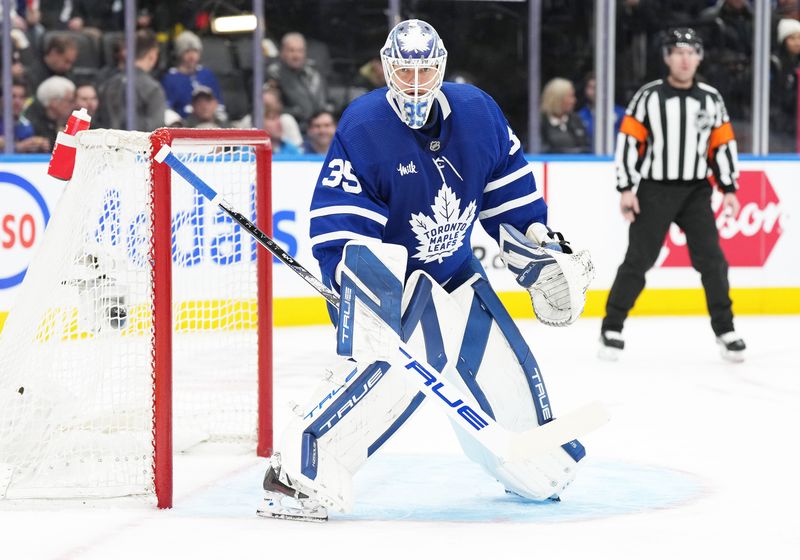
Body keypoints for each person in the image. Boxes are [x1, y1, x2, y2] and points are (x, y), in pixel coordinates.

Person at [258, 19, 594, 522]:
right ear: (386, 67)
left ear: (441, 66)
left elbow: (512, 202)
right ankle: (300, 470)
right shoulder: (364, 125)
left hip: (456, 274)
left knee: (510, 385)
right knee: (392, 377)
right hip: (390, 287)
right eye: (404, 70)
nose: (415, 83)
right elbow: (339, 225)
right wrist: (359, 282)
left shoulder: (479, 113)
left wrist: (541, 246)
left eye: (424, 69)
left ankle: (526, 456)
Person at [600, 28, 746, 362]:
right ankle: (612, 325)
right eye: (677, 51)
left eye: (691, 51)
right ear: (667, 57)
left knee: (713, 262)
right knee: (639, 259)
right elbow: (627, 143)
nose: (684, 58)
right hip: (655, 189)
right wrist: (626, 187)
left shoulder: (711, 98)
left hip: (696, 191)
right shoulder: (649, 96)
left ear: (699, 57)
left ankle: (726, 329)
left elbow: (722, 145)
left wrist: (729, 187)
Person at [95, 30, 165, 132]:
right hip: (138, 146)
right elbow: (156, 132)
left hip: (108, 146)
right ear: (152, 54)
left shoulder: (107, 85)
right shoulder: (152, 89)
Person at [265, 32, 330, 132]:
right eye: (291, 51)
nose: (296, 55)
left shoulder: (313, 70)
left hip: (318, 125)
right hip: (292, 128)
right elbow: (271, 109)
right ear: (282, 52)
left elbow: (323, 99)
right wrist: (296, 112)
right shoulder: (274, 74)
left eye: (300, 51)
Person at [161, 31, 224, 119]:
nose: (192, 56)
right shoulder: (170, 79)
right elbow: (167, 109)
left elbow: (219, 104)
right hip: (183, 126)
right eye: (187, 51)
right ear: (179, 54)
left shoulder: (207, 75)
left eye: (195, 51)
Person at [22, 75, 76, 147]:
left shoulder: (68, 122)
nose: (73, 105)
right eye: (70, 101)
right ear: (54, 102)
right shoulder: (30, 125)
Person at [540, 77, 590, 154]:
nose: (574, 100)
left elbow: (587, 148)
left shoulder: (576, 120)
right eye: (571, 96)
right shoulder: (540, 123)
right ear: (558, 99)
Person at [0, 78, 51, 153]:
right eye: (13, 96)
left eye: (22, 97)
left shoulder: (26, 125)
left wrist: (40, 147)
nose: (17, 102)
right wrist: (18, 147)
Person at [577, 72, 625, 150]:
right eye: (590, 87)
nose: (594, 92)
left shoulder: (620, 113)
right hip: (589, 159)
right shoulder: (580, 116)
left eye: (596, 88)